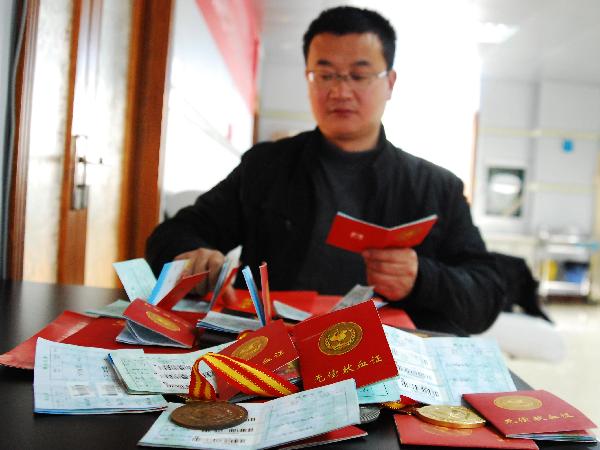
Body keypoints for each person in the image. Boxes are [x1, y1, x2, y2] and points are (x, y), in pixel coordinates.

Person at [146, 6, 505, 335]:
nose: (340, 90)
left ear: (390, 83)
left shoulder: (435, 188)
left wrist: (422, 279)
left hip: (387, 367)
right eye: (325, 74)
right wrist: (191, 255)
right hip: (274, 357)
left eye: (358, 75)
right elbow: (174, 233)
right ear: (308, 78)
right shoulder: (266, 166)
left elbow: (486, 296)